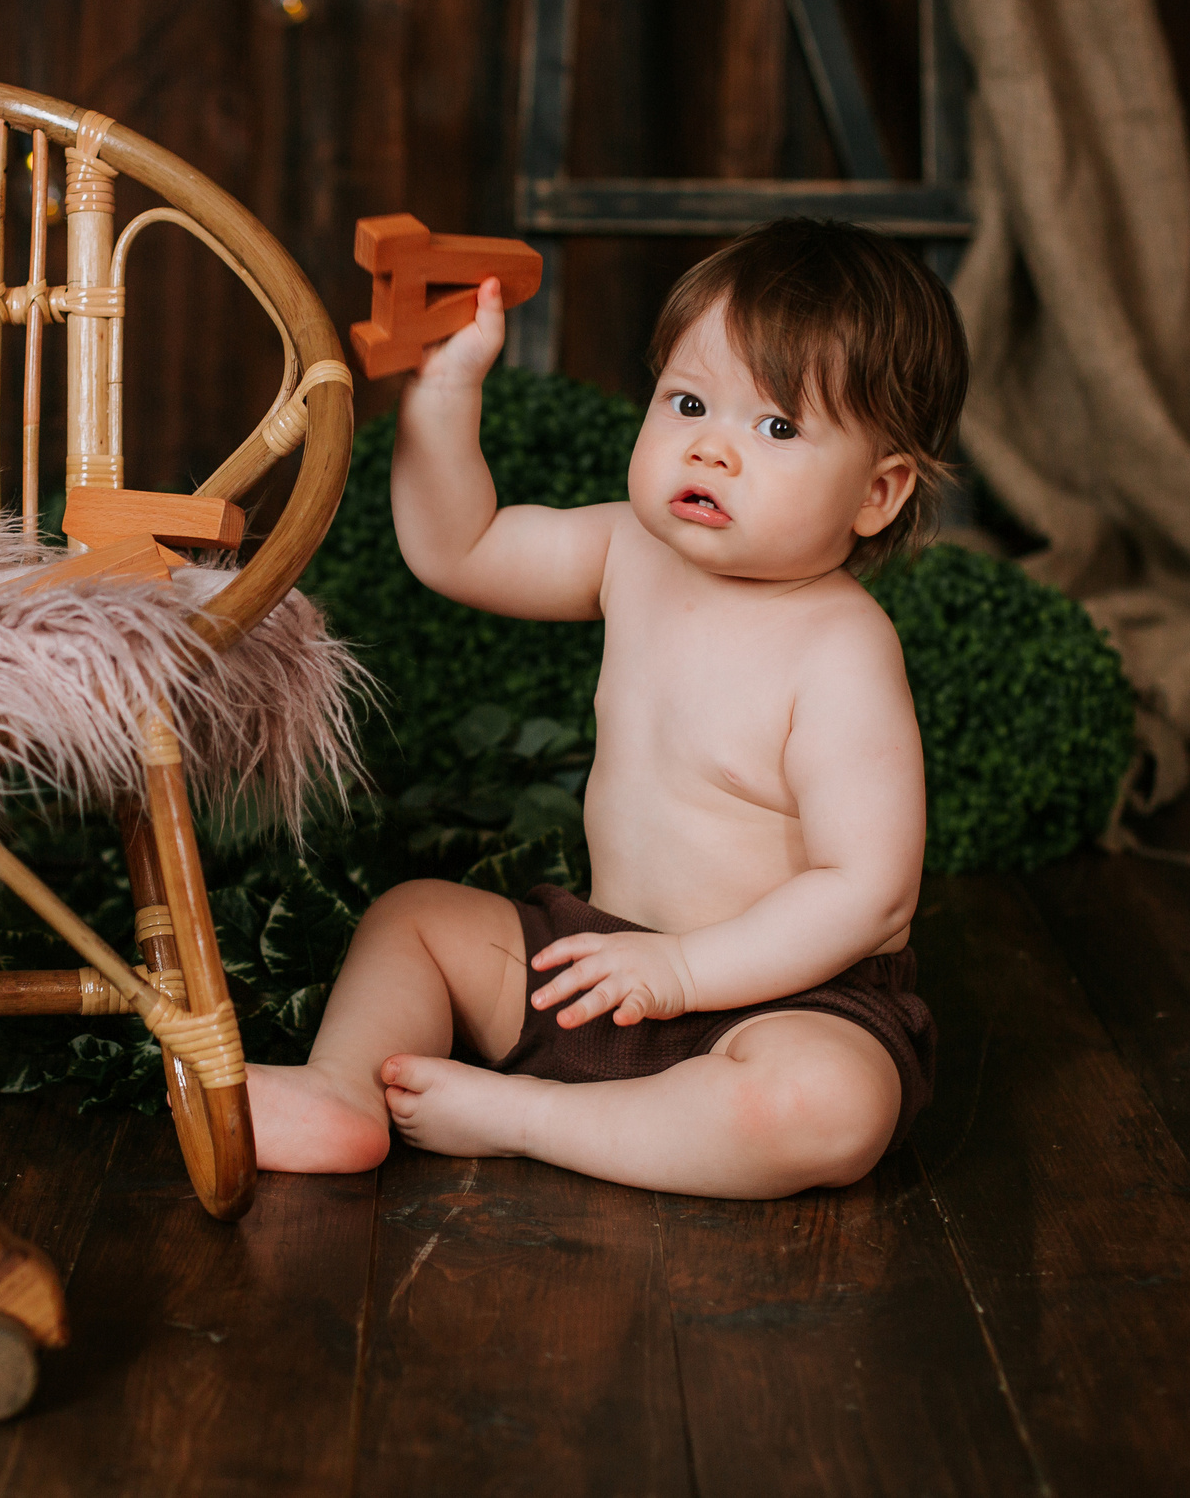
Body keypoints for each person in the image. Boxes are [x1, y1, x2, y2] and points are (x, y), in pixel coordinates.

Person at [247, 218, 966, 1196]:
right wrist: (446, 398)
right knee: (413, 919)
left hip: (785, 998)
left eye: (776, 427)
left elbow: (867, 890)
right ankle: (341, 1092)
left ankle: (524, 1117)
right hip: (597, 961)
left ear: (876, 494)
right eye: (688, 402)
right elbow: (459, 548)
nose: (711, 450)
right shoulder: (631, 549)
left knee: (827, 1105)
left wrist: (683, 971)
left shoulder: (841, 649)